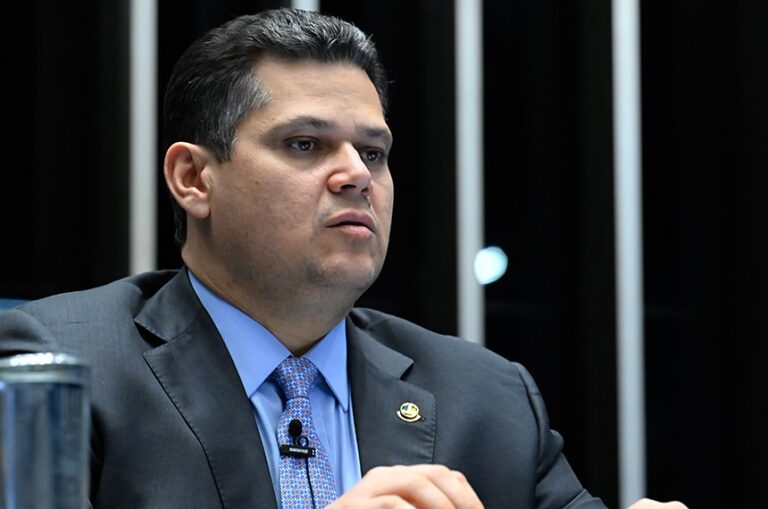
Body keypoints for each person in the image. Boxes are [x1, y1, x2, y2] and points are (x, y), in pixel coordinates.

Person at [0, 8, 686, 509]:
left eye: (374, 152)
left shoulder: (486, 396)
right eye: (305, 144)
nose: (357, 174)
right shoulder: (62, 365)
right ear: (194, 178)